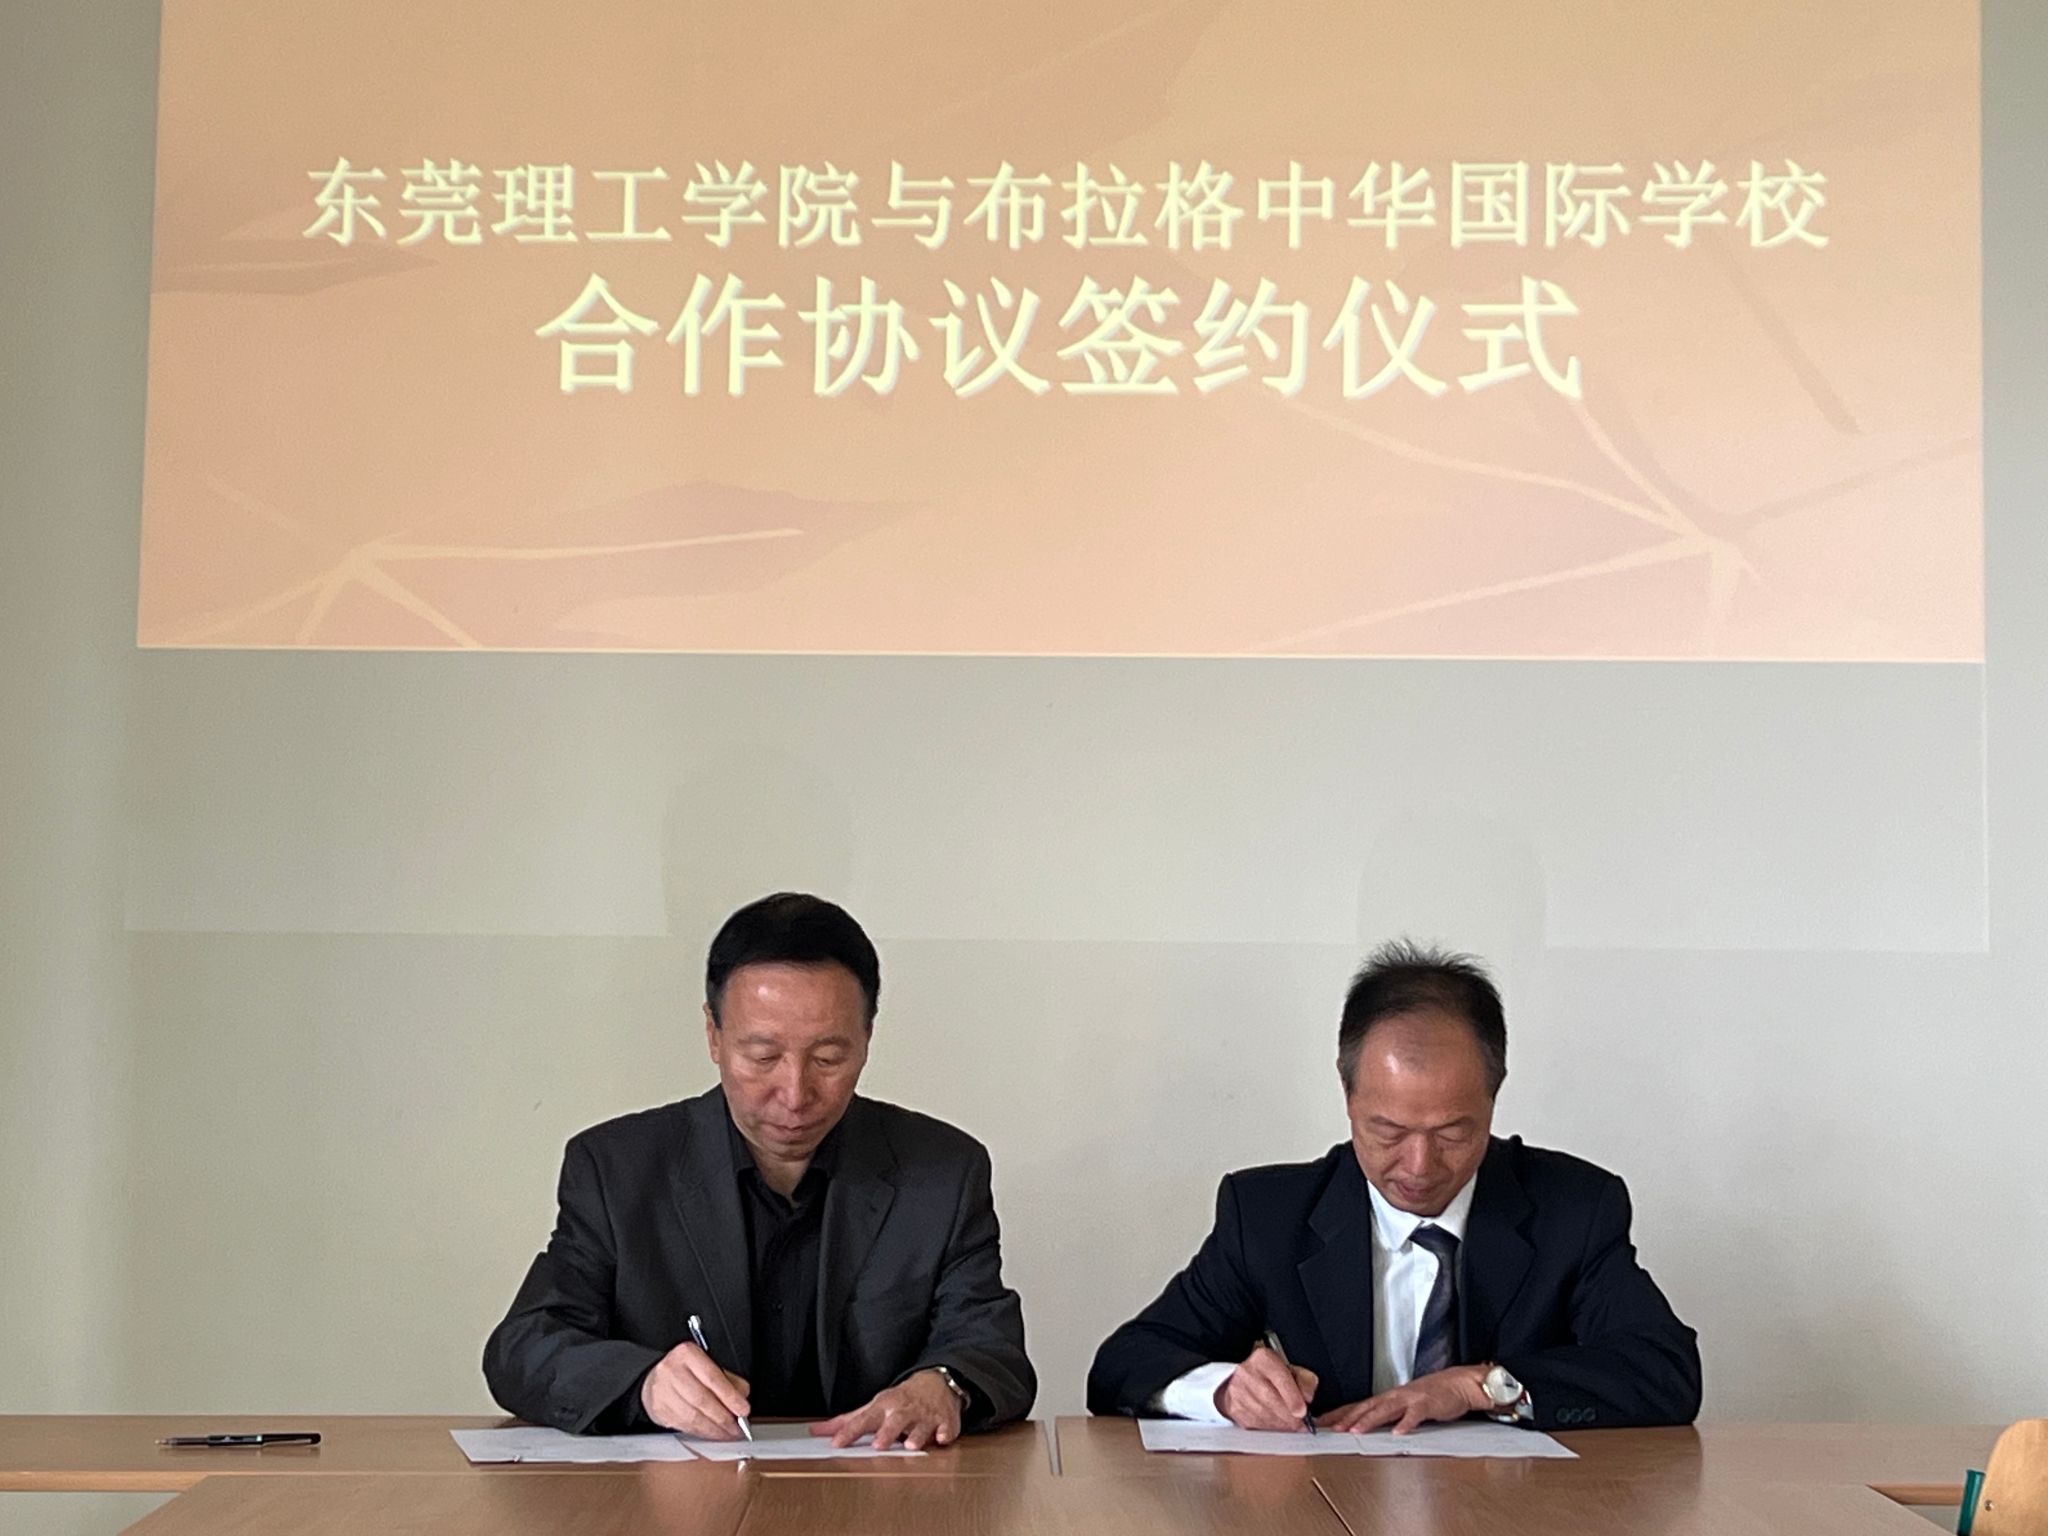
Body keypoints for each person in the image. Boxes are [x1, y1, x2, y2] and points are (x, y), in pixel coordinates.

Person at [484, 893, 1035, 1448]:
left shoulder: (942, 1172)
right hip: (685, 1490)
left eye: (828, 1058)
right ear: (714, 1035)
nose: (795, 1094)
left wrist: (944, 1384)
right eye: (763, 1056)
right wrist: (643, 1384)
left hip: (871, 1480)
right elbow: (524, 1347)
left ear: (867, 1038)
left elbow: (991, 1348)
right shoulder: (618, 1169)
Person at [1087, 941, 1700, 1433]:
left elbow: (1666, 1371)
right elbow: (1122, 1365)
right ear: (1347, 1093)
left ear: (1494, 1094)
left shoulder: (1573, 1209)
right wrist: (1223, 1391)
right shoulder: (1269, 1217)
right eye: (1387, 1131)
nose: (1418, 1165)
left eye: (1454, 1133)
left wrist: (1481, 1386)